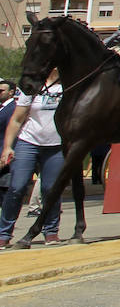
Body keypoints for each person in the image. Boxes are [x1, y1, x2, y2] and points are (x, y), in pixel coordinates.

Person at [0, 69, 63, 248]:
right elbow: (16, 119)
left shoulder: (69, 83)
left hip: (57, 145)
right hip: (28, 142)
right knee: (17, 187)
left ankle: (51, 232)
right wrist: (7, 147)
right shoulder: (32, 85)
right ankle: (4, 233)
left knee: (50, 189)